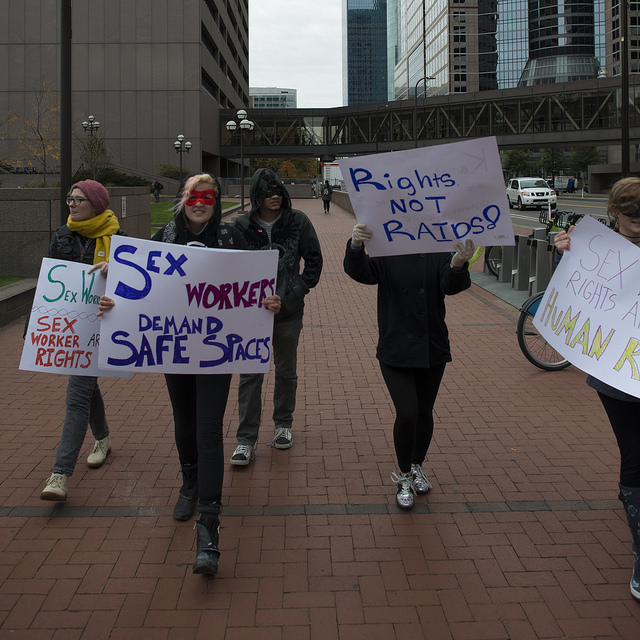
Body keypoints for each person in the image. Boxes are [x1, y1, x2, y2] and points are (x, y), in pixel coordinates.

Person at [99, 173, 281, 576]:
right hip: (175, 349)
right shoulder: (164, 237)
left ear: (216, 201)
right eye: (193, 195)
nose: (200, 202)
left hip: (217, 351)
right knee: (184, 422)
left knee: (208, 428)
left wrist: (269, 301)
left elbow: (256, 286)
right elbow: (139, 289)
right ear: (183, 199)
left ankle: (209, 526)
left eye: (208, 196)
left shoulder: (233, 238)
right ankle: (189, 482)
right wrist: (114, 297)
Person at [344, 223, 474, 509]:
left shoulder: (440, 240)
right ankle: (403, 474)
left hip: (432, 345)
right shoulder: (389, 241)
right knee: (408, 412)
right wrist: (355, 245)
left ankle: (417, 465)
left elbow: (449, 286)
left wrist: (457, 262)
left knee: (425, 411)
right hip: (395, 346)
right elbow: (363, 272)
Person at [554, 176, 640, 602]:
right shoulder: (596, 248)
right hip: (619, 377)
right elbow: (578, 295)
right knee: (635, 453)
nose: (638, 221)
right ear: (614, 212)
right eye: (630, 214)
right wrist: (566, 255)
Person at [229, 168, 323, 465]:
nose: (275, 196)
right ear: (256, 195)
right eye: (268, 192)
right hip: (251, 314)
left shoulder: (298, 222)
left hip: (288, 313)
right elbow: (228, 268)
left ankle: (283, 425)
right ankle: (246, 439)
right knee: (250, 375)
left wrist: (295, 293)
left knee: (285, 370)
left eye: (279, 191)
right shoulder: (240, 226)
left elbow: (314, 261)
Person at [39, 179, 123, 502]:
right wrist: (36, 326)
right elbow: (49, 281)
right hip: (71, 329)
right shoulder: (62, 237)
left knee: (76, 396)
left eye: (78, 200)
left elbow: (134, 285)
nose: (71, 205)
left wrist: (112, 278)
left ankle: (60, 474)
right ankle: (102, 437)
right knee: (85, 387)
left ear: (97, 205)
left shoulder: (118, 239)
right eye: (69, 200)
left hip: (105, 325)